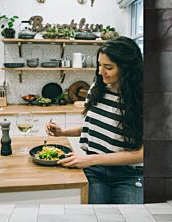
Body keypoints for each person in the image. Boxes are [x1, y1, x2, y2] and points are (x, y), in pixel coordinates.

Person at [46, 36, 143, 204]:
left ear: (128, 68)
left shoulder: (144, 99)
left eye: (108, 67)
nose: (100, 71)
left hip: (129, 175)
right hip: (96, 171)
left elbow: (142, 154)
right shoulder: (97, 89)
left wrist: (89, 159)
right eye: (99, 65)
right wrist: (63, 132)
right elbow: (96, 125)